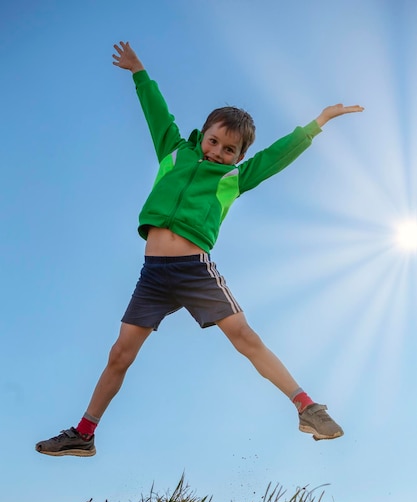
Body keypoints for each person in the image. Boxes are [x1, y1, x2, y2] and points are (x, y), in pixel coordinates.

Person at [36, 41, 364, 457]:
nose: (217, 152)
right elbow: (157, 112)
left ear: (239, 156)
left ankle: (306, 407)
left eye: (229, 150)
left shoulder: (235, 179)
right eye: (213, 142)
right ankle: (84, 434)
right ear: (202, 135)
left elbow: (278, 156)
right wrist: (140, 72)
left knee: (244, 337)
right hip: (152, 276)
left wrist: (318, 122)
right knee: (120, 354)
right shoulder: (174, 151)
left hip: (194, 270)